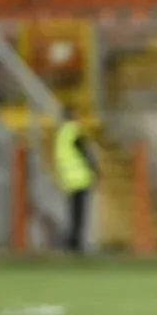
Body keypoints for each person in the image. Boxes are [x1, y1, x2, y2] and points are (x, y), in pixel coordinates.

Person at [54, 106, 97, 252]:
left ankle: (71, 242)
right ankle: (77, 245)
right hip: (81, 179)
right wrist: (94, 169)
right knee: (79, 215)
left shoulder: (61, 135)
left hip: (68, 180)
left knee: (71, 214)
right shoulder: (74, 132)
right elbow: (85, 154)